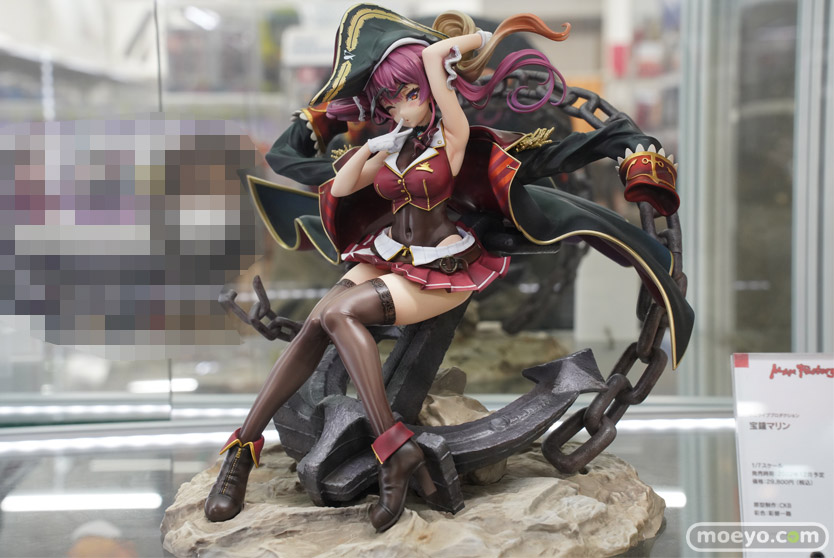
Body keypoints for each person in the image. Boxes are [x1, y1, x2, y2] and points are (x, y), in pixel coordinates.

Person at [207, 5, 693, 533]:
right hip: (386, 254)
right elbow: (342, 188)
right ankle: (243, 449)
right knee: (313, 328)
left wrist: (446, 51)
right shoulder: (393, 145)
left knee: (338, 315)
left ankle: (392, 448)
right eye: (388, 99)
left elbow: (453, 76)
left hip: (441, 269)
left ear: (428, 90)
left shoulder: (453, 139)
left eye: (406, 94)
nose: (397, 106)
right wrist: (372, 146)